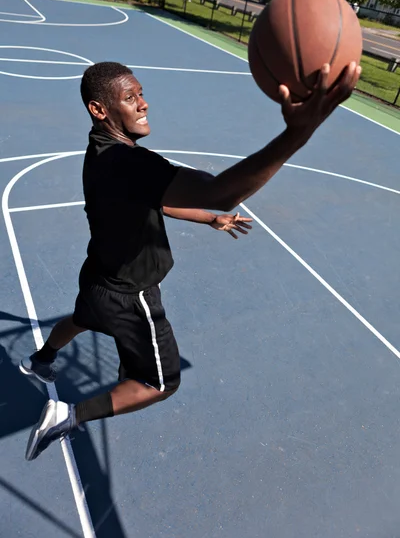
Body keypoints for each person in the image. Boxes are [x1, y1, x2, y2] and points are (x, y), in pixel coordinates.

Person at [20, 59, 360, 461]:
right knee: (159, 383)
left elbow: (161, 200)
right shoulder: (130, 163)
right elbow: (219, 191)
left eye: (141, 94)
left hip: (98, 274)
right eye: (130, 98)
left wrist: (209, 218)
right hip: (132, 297)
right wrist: (296, 134)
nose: (143, 104)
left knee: (82, 318)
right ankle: (68, 414)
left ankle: (40, 359)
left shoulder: (102, 152)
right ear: (100, 109)